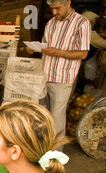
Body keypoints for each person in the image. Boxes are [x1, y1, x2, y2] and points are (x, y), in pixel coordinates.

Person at [26, 0, 91, 142]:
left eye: (57, 8)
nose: (54, 12)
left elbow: (83, 54)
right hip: (44, 74)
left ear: (68, 2)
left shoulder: (82, 23)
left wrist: (58, 52)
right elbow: (46, 46)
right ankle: (41, 148)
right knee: (42, 115)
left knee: (56, 117)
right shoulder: (51, 23)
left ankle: (56, 153)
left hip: (62, 77)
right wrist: (34, 48)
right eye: (52, 9)